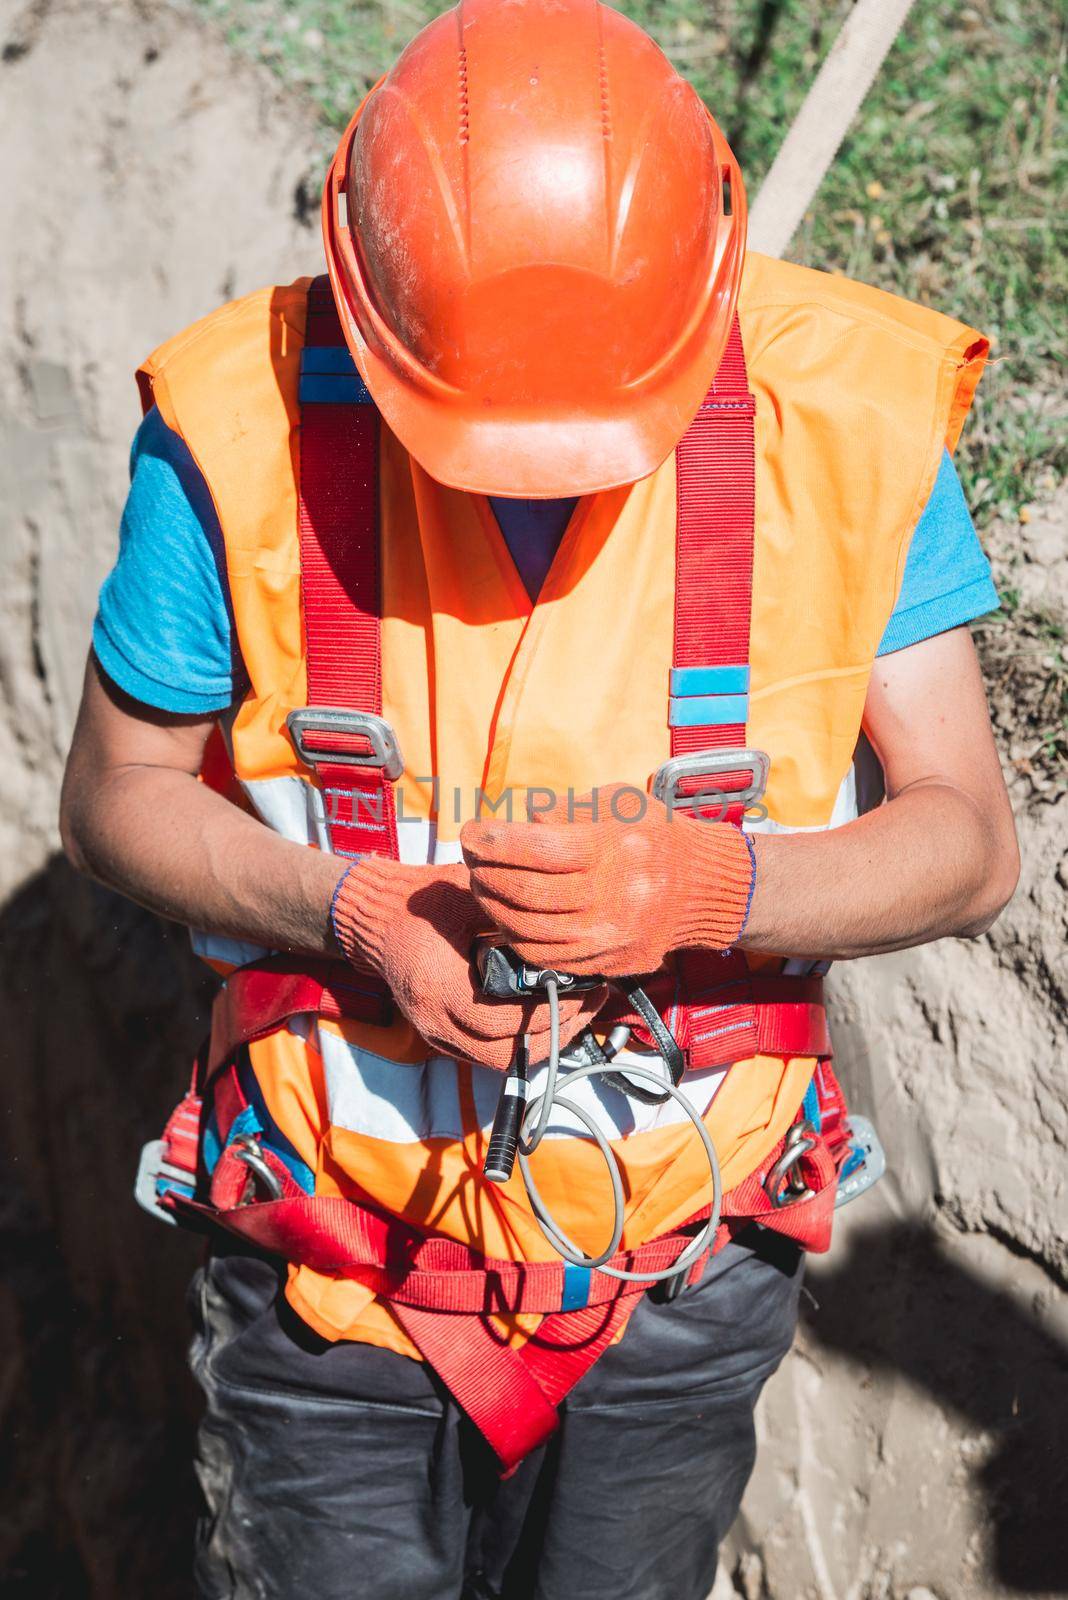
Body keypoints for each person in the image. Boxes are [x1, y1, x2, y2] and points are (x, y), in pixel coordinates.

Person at [59, 1, 1019, 1596]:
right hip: (332, 1263)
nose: (539, 490)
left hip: (685, 1265)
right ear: (366, 315)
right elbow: (114, 794)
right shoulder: (237, 425)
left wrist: (711, 893)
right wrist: (352, 912)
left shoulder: (845, 423)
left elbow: (967, 840)